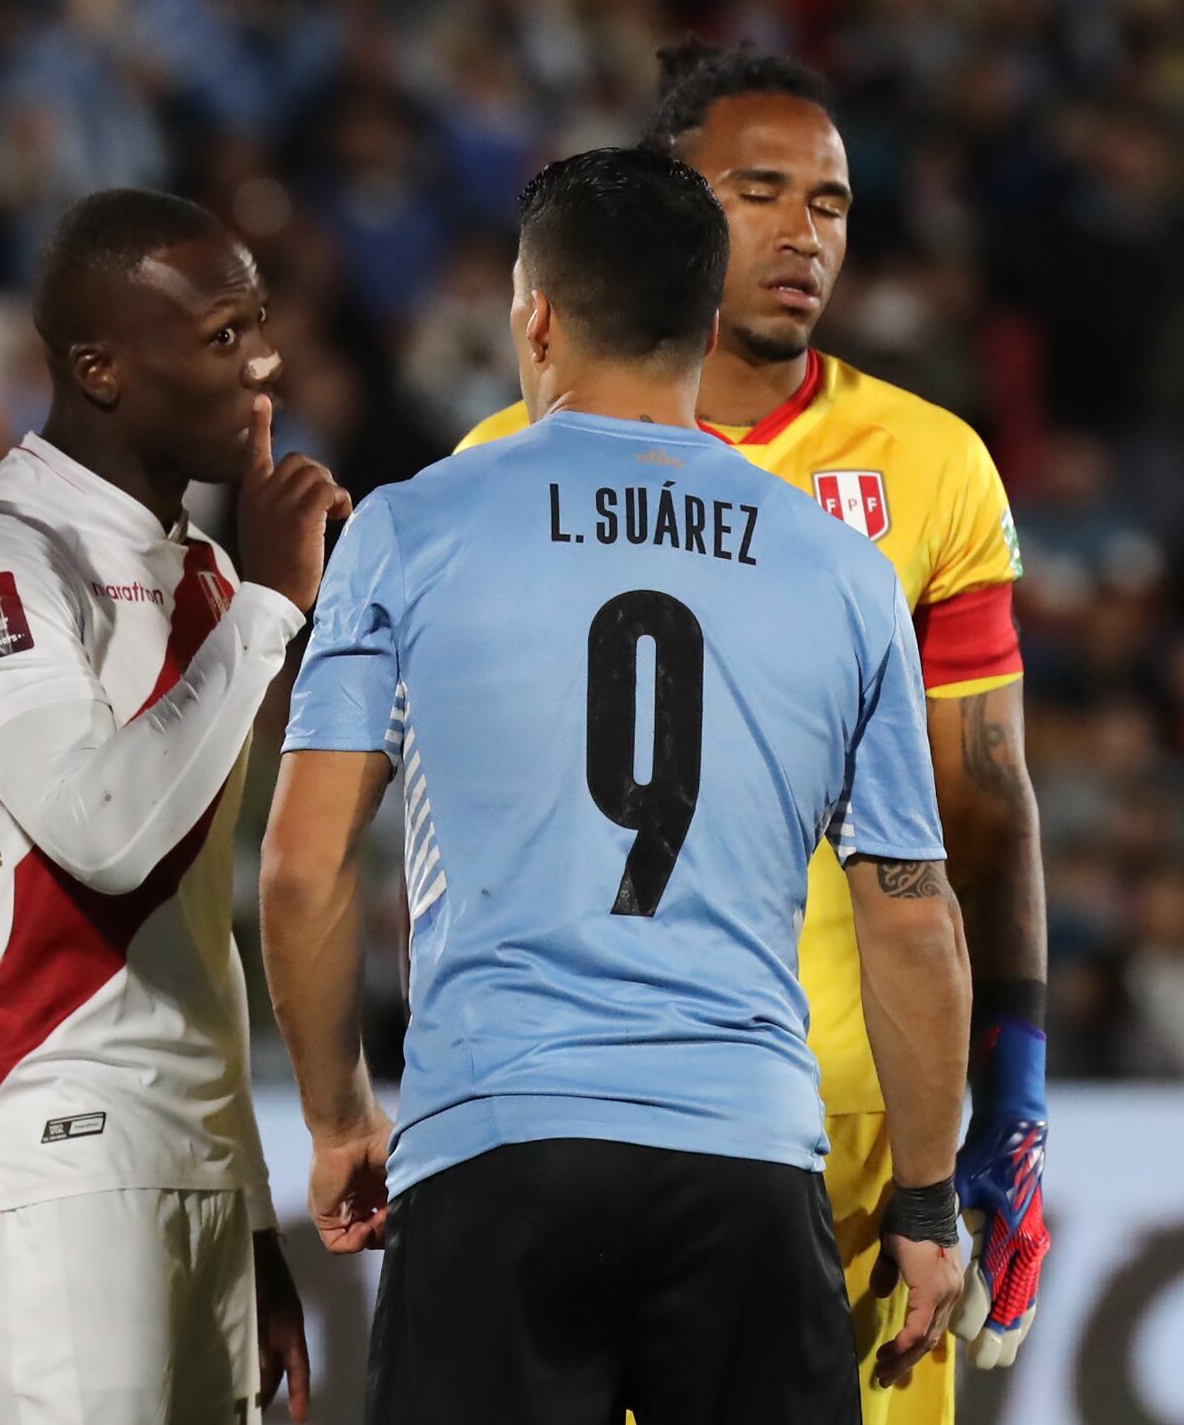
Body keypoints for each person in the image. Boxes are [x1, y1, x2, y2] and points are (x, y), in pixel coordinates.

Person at [260, 147, 972, 1424]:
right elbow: (912, 912)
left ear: (533, 314)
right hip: (747, 1158)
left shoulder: (409, 529)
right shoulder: (845, 573)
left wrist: (337, 1119)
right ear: (708, 322)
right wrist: (924, 1200)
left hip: (498, 1145)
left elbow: (305, 867)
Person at [458, 40, 1051, 1415]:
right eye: (757, 192)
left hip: (856, 1122)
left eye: (831, 202)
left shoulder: (928, 463)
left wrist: (1007, 1090)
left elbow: (987, 800)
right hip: (580, 1112)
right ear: (666, 204)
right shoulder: (499, 468)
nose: (802, 235)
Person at [0, 187, 336, 1424]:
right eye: (224, 333)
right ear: (98, 368)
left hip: (186, 1153)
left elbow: (191, 938)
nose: (267, 361)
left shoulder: (203, 570)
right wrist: (269, 610)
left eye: (260, 323)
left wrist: (248, 1208)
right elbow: (100, 831)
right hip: (46, 1145)